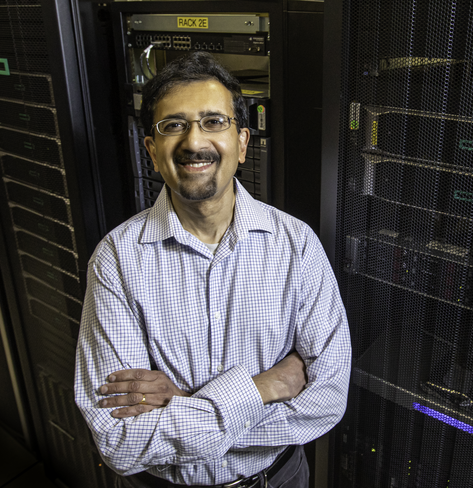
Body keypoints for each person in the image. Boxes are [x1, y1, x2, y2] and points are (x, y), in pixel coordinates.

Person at [74, 52, 351, 488]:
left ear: (241, 143)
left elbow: (328, 400)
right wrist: (262, 388)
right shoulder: (117, 259)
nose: (194, 142)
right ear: (152, 150)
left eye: (213, 122)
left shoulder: (296, 245)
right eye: (173, 125)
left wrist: (182, 405)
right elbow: (119, 441)